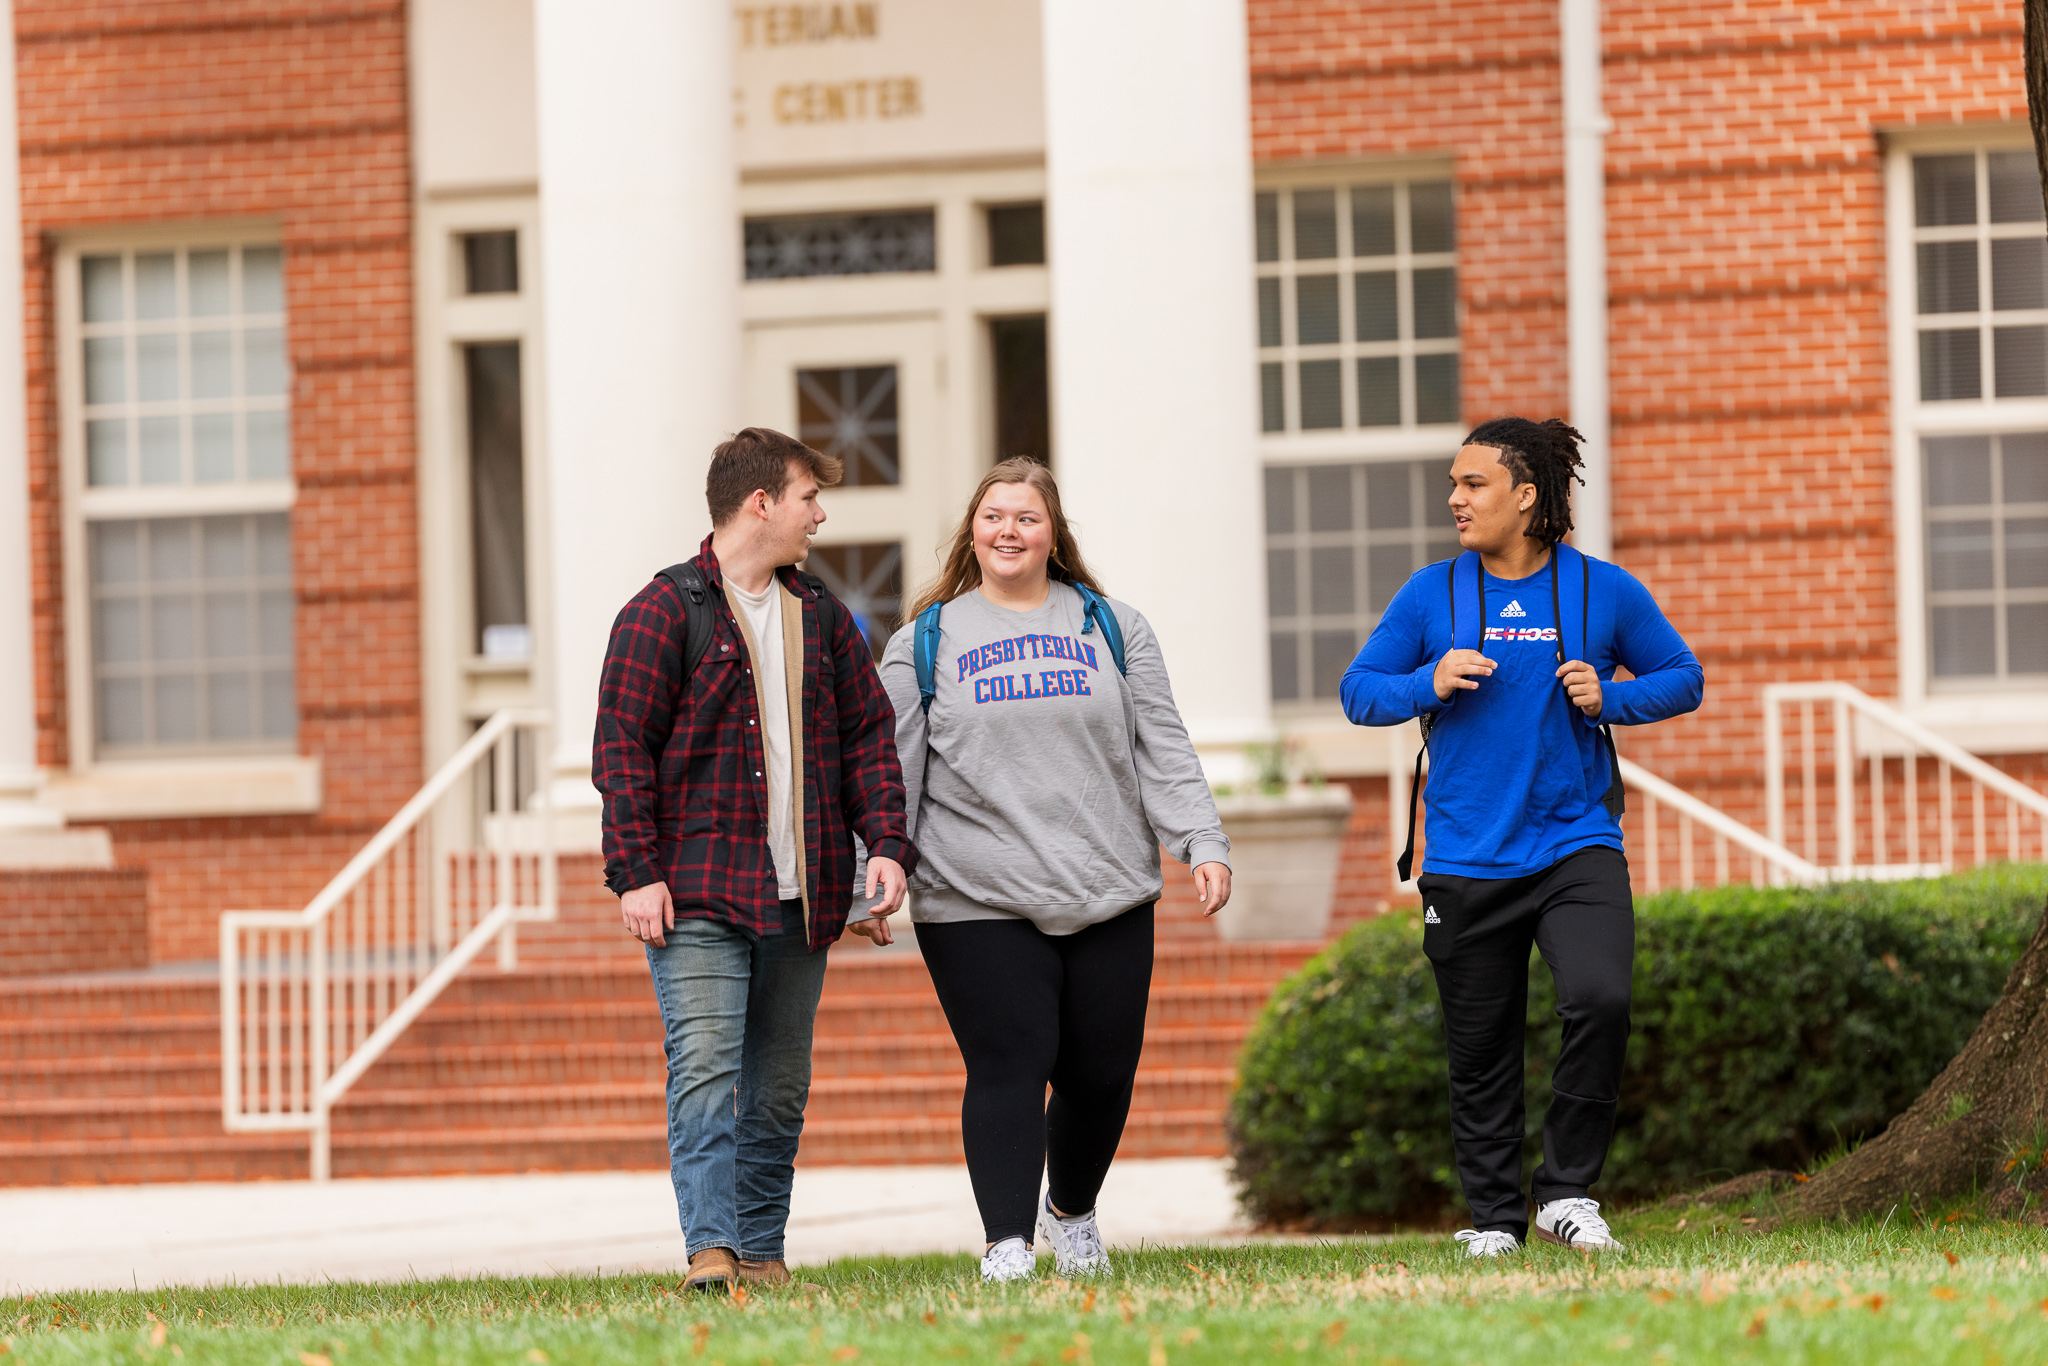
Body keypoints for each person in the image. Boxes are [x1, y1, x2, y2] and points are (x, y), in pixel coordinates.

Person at [1340, 418, 1702, 1258]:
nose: (1456, 500)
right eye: (1454, 485)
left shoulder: (1600, 591)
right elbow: (1360, 691)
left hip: (1576, 843)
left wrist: (1610, 700)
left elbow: (1683, 676)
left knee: (1601, 999)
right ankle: (1496, 1220)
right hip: (1466, 856)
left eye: (1474, 485)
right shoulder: (1432, 595)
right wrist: (1425, 680)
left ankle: (1567, 1193)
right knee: (1482, 1049)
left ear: (1526, 496)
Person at [877, 457, 1232, 1283]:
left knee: (1100, 1072)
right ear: (974, 529)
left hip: (1107, 882)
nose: (1009, 530)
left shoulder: (1112, 625)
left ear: (1052, 533)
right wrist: (882, 864)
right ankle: (1007, 1241)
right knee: (1011, 1058)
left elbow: (1162, 744)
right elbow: (894, 770)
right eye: (994, 515)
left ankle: (1070, 1212)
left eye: (1026, 517)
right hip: (975, 891)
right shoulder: (925, 640)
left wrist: (1201, 840)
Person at [594, 427, 917, 1292]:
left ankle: (764, 1255)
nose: (821, 513)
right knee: (705, 1076)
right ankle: (712, 1252)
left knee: (776, 1092)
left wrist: (882, 848)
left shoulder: (822, 618)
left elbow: (867, 745)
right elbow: (622, 750)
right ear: (761, 502)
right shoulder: (663, 612)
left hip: (800, 901)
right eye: (809, 495)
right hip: (696, 895)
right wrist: (636, 871)